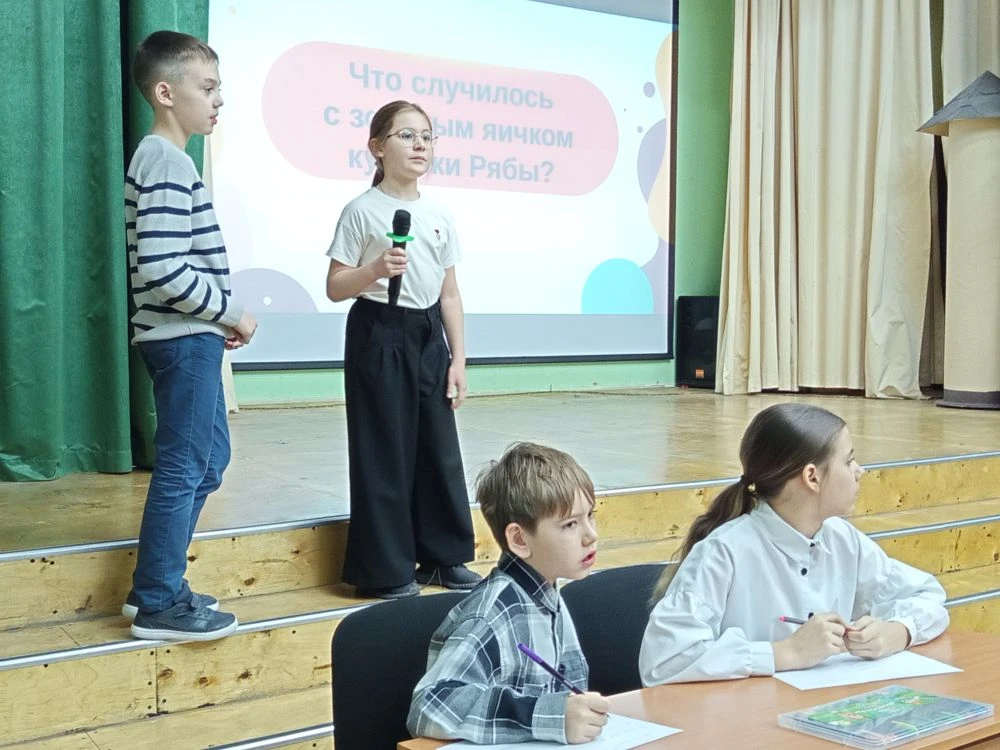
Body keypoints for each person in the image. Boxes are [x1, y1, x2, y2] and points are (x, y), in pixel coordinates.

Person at [639, 403, 949, 685]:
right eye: (849, 460)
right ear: (812, 477)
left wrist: (896, 632)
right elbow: (663, 659)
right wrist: (785, 652)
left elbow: (928, 596)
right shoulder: (723, 552)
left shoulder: (842, 538)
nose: (860, 471)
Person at [124, 30, 257, 641]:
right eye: (207, 87)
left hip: (188, 334)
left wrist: (215, 319)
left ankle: (157, 584)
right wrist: (229, 312)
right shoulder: (165, 160)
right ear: (165, 92)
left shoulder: (170, 160)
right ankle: (158, 599)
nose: (217, 99)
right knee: (184, 466)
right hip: (180, 338)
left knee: (208, 461)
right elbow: (161, 266)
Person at [325, 100, 479, 599]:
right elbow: (335, 286)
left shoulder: (438, 214)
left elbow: (449, 294)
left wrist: (458, 359)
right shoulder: (360, 211)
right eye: (407, 135)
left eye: (427, 137)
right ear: (377, 147)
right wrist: (374, 270)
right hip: (378, 331)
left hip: (428, 334)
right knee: (383, 450)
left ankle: (442, 558)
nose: (420, 145)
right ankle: (386, 570)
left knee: (439, 448)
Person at [408, 442, 610, 744]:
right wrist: (547, 716)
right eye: (570, 524)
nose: (591, 535)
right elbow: (429, 706)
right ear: (519, 539)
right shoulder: (492, 614)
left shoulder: (549, 591)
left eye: (590, 515)